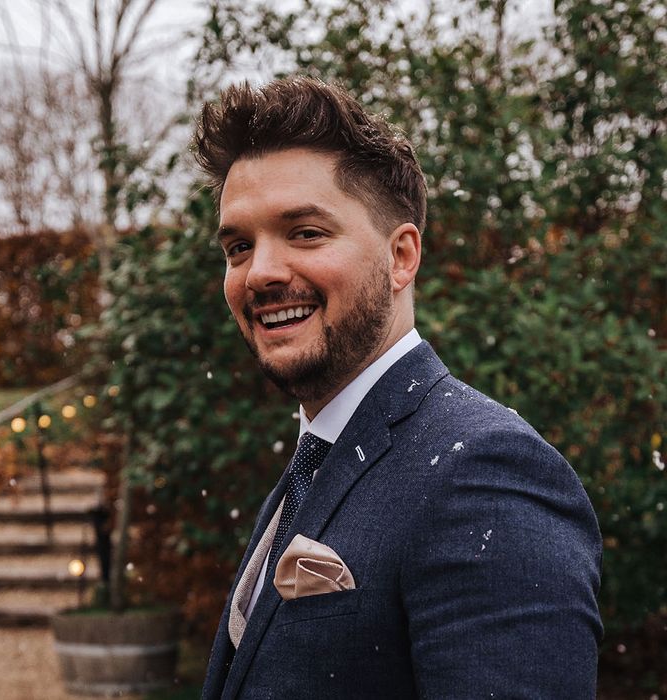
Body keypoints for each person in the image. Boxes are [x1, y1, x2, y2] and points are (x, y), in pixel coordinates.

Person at [194, 76, 602, 699]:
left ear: (402, 256)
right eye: (239, 246)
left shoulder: (487, 474)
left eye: (305, 232)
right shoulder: (322, 456)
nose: (262, 273)